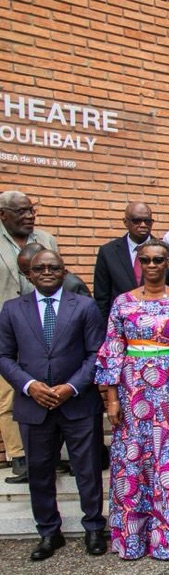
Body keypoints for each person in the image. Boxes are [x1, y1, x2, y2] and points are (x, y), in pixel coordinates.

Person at [95, 239, 169, 560]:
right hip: (133, 394)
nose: (151, 266)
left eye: (157, 260)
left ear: (168, 264)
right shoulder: (122, 303)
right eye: (145, 260)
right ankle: (136, 535)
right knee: (135, 458)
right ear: (139, 264)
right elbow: (112, 351)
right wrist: (111, 399)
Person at [0, 249, 106, 561]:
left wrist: (71, 386)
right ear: (29, 274)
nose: (47, 272)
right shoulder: (11, 309)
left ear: (63, 272)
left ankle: (94, 528)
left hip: (77, 402)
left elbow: (96, 353)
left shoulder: (84, 307)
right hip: (34, 405)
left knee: (86, 469)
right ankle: (49, 532)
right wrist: (30, 386)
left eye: (54, 267)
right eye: (40, 268)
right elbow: (4, 356)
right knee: (40, 471)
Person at [0, 191, 58, 484]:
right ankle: (20, 456)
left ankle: (49, 452)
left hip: (46, 323)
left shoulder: (45, 240)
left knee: (46, 384)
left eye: (31, 211)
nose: (29, 216)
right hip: (8, 326)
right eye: (21, 212)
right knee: (10, 392)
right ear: (3, 215)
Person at [93, 201, 169, 320]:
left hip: (160, 324)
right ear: (125, 222)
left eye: (147, 221)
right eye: (137, 221)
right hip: (121, 325)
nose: (143, 225)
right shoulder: (108, 252)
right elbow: (102, 299)